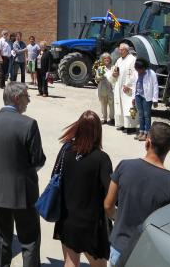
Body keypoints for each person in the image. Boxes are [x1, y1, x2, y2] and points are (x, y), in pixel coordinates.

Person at [0, 82, 46, 267]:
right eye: (26, 96)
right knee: (29, 240)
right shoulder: (29, 124)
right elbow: (38, 160)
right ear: (16, 98)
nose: (29, 100)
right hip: (24, 193)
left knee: (2, 239)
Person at [105, 122, 170, 266]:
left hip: (119, 248)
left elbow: (108, 205)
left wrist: (120, 217)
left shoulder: (124, 166)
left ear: (147, 141)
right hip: (148, 255)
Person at [54, 111, 112, 267]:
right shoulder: (101, 158)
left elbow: (55, 177)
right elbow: (110, 193)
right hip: (91, 224)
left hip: (67, 219)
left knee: (71, 262)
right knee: (99, 265)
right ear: (97, 132)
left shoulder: (66, 151)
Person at [109, 43, 137, 134]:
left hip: (128, 88)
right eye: (119, 50)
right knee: (119, 106)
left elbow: (134, 74)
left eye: (121, 50)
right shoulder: (119, 60)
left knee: (128, 106)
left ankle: (131, 127)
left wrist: (128, 85)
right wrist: (114, 74)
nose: (119, 51)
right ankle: (122, 124)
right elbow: (115, 70)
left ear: (126, 50)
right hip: (119, 86)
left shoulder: (132, 60)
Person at [133, 58, 159, 141]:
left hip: (147, 97)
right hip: (138, 95)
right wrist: (133, 97)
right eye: (137, 70)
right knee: (140, 115)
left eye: (139, 70)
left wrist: (155, 99)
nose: (138, 72)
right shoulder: (136, 73)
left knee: (147, 115)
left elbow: (155, 86)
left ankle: (147, 133)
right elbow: (134, 84)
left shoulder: (151, 73)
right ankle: (141, 131)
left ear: (144, 68)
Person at [95, 53, 115, 125]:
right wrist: (99, 77)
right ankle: (104, 118)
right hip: (102, 88)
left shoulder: (113, 67)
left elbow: (115, 77)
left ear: (110, 59)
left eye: (108, 58)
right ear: (102, 60)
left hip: (110, 88)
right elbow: (97, 79)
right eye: (105, 58)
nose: (106, 59)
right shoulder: (100, 68)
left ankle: (112, 118)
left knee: (112, 104)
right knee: (103, 104)